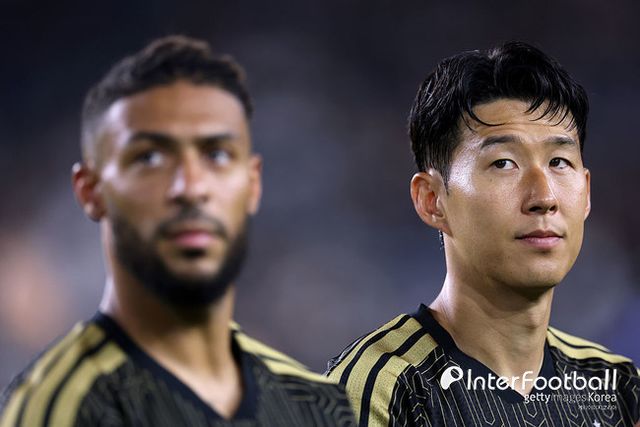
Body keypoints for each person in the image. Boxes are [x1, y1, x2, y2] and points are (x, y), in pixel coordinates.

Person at [0, 35, 355, 427]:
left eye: (217, 154)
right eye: (149, 158)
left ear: (253, 184)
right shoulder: (61, 408)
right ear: (90, 191)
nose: (191, 186)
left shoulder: (316, 403)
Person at [326, 41, 640, 426]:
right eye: (504, 163)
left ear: (587, 193)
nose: (544, 198)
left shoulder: (617, 389)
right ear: (431, 200)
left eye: (559, 162)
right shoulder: (378, 389)